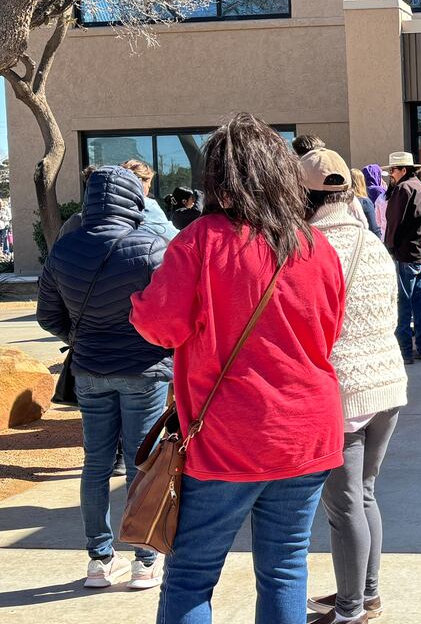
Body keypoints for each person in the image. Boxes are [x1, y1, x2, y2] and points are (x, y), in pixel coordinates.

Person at [130, 113, 347, 624]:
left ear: (219, 180)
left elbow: (160, 327)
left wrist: (139, 300)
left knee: (192, 574)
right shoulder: (316, 246)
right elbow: (329, 332)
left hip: (228, 435)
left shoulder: (201, 241)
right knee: (286, 568)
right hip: (308, 432)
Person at [36, 166, 172, 590]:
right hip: (144, 369)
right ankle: (144, 559)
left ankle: (99, 559)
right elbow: (173, 315)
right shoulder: (152, 246)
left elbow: (47, 315)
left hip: (90, 370)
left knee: (95, 463)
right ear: (134, 197)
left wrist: (83, 336)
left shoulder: (64, 248)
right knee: (141, 463)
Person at [300, 149, 408, 624]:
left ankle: (349, 611)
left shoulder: (308, 248)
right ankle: (367, 595)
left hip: (342, 390)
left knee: (344, 507)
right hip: (388, 383)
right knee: (364, 495)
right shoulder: (372, 242)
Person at [382, 152, 421, 363]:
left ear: (404, 170)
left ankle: (405, 351)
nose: (390, 175)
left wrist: (390, 247)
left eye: (392, 171)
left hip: (405, 254)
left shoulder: (403, 189)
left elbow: (394, 223)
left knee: (403, 305)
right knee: (418, 303)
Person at [120, 160, 180, 242]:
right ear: (140, 182)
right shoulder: (146, 205)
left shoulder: (106, 205)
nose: (149, 187)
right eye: (149, 184)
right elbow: (174, 237)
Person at [350, 168, 382, 239]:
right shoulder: (365, 202)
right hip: (361, 240)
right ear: (361, 182)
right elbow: (373, 228)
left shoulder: (342, 201)